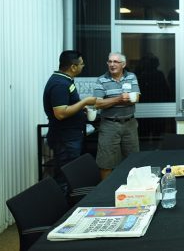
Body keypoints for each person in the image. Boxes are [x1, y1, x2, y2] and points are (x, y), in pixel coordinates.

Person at [43, 50, 97, 190]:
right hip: (65, 139)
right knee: (65, 178)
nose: (83, 66)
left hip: (70, 137)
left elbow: (68, 106)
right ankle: (63, 210)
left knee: (71, 176)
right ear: (73, 67)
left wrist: (80, 109)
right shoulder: (59, 84)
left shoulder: (65, 80)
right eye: (81, 64)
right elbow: (60, 113)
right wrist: (84, 102)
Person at [93, 52, 141, 180]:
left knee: (133, 160)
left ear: (123, 64)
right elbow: (98, 103)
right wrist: (119, 99)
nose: (112, 64)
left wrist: (132, 97)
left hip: (129, 124)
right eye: (110, 61)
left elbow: (136, 97)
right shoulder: (101, 80)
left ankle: (133, 192)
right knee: (106, 162)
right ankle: (105, 194)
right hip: (109, 125)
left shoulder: (131, 77)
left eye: (116, 62)